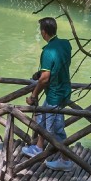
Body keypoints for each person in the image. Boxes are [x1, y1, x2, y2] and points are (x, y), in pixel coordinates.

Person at [25, 17, 74, 170]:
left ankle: (66, 161)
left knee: (57, 130)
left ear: (43, 32)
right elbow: (59, 64)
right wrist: (41, 72)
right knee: (42, 118)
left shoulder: (47, 51)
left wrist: (33, 96)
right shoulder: (66, 44)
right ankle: (38, 148)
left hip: (55, 95)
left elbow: (45, 79)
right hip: (64, 89)